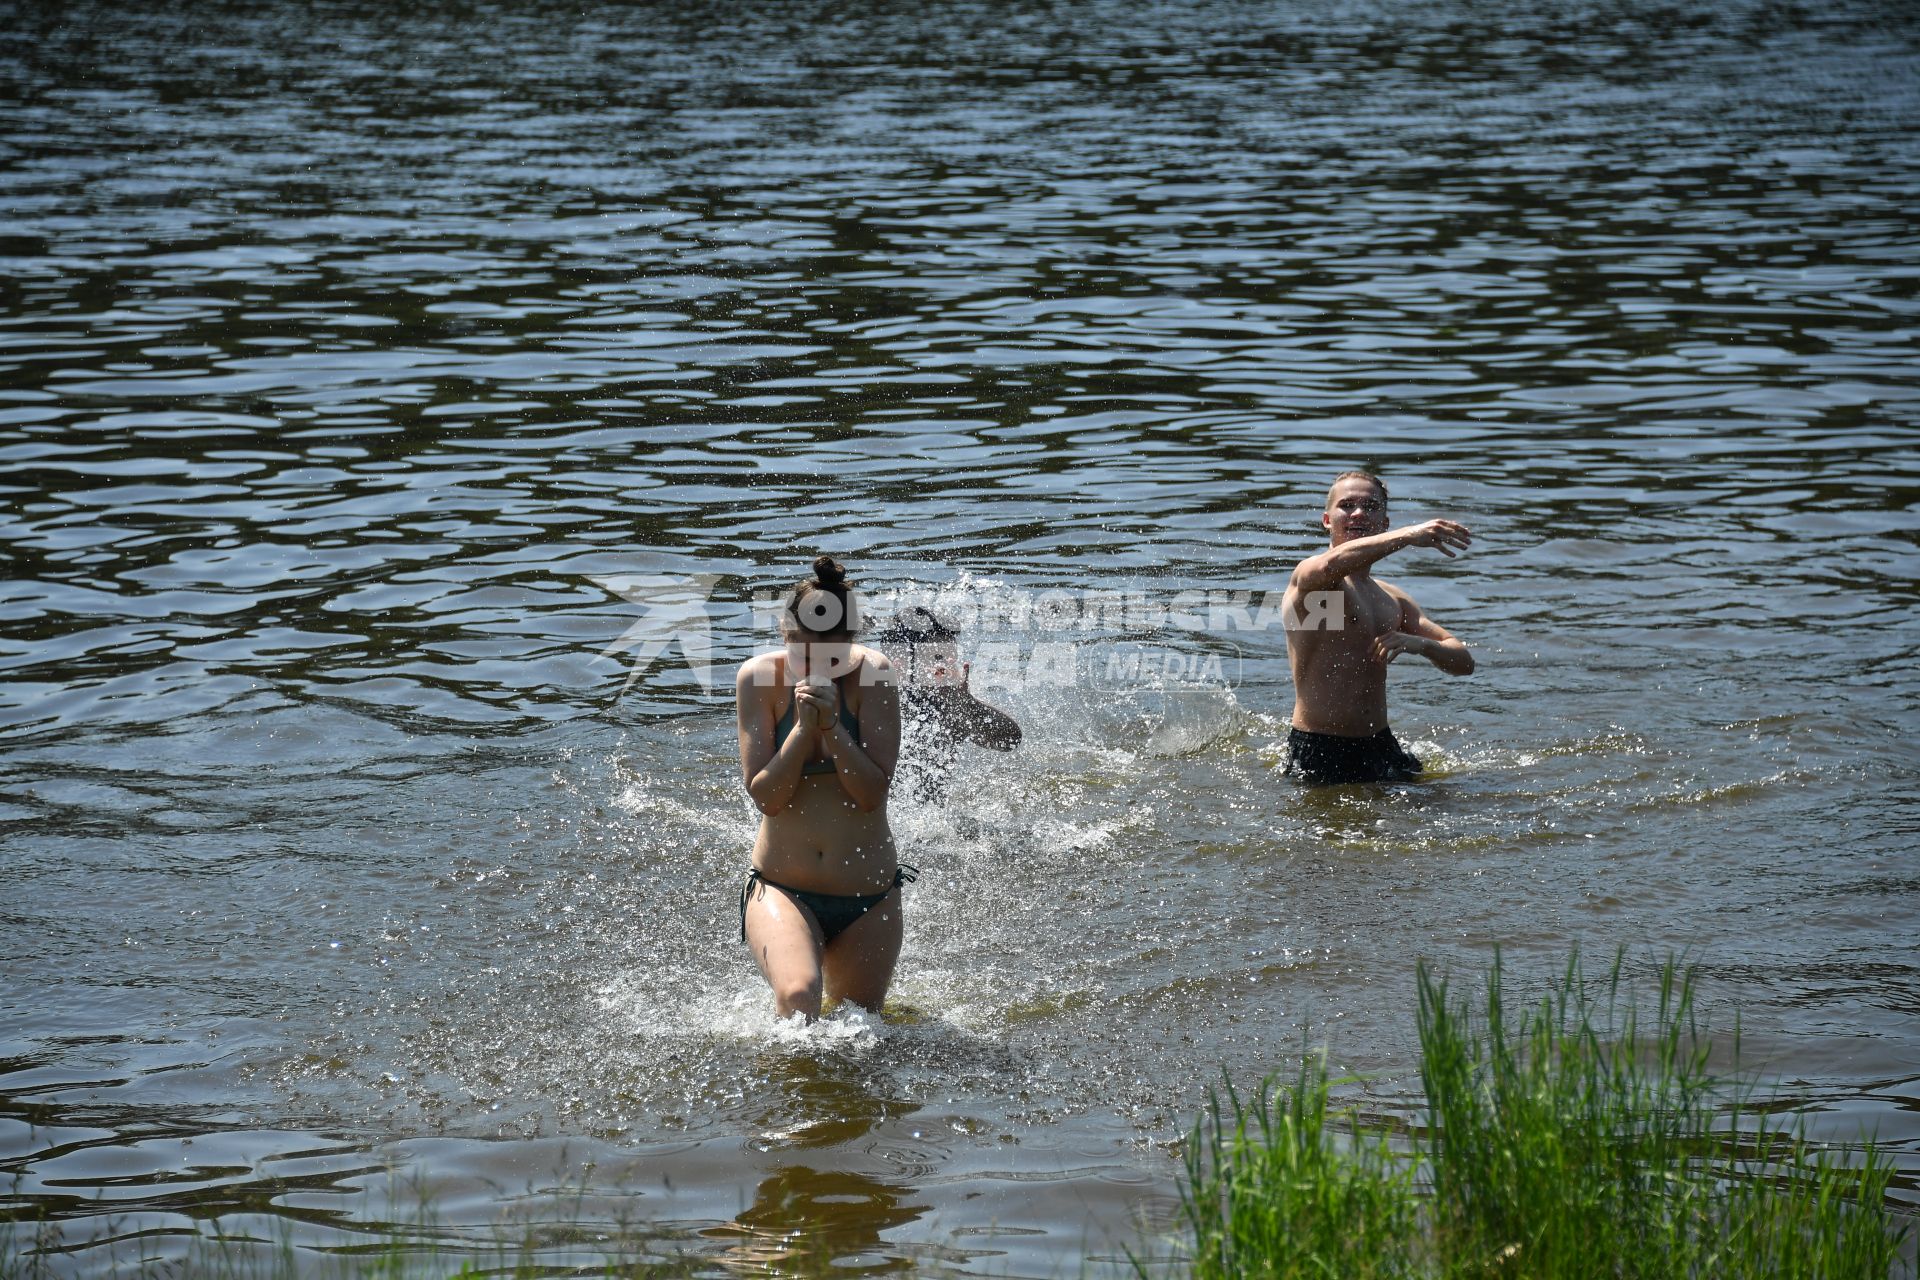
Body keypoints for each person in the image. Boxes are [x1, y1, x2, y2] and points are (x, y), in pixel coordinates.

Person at [735, 556, 910, 1021]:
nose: (813, 666)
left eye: (830, 656)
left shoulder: (874, 673)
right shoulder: (758, 679)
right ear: (783, 633)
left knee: (859, 1028)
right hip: (783, 886)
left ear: (852, 644)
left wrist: (832, 729)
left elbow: (871, 793)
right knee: (798, 999)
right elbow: (767, 797)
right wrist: (801, 732)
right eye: (800, 650)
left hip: (869, 896)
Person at [1280, 471, 1475, 783]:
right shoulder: (1315, 580)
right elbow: (1330, 565)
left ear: (1384, 523)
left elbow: (1464, 663)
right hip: (1320, 748)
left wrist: (1423, 646)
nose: (1359, 513)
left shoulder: (1392, 599)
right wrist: (1409, 535)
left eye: (1370, 507)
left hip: (1381, 745)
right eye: (1347, 505)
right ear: (1327, 520)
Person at [872, 607, 1021, 803]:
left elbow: (1010, 741)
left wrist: (966, 705)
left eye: (952, 656)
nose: (949, 664)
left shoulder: (949, 706)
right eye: (938, 657)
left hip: (934, 819)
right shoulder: (872, 700)